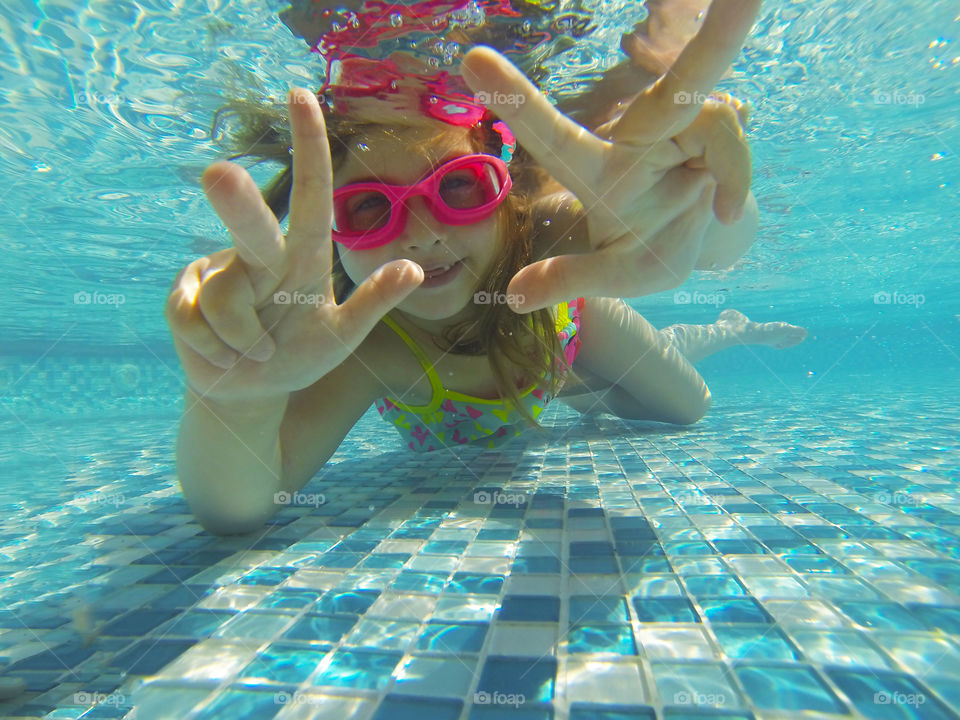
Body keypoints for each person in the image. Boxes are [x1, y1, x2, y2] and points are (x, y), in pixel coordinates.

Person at [165, 1, 801, 535]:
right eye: (367, 207)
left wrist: (708, 205)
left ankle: (716, 331)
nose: (421, 234)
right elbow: (240, 508)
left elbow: (713, 247)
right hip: (548, 375)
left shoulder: (545, 231)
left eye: (459, 187)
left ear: (509, 191)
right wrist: (237, 403)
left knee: (687, 407)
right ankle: (590, 387)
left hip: (574, 332)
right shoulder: (368, 348)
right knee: (597, 396)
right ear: (332, 235)